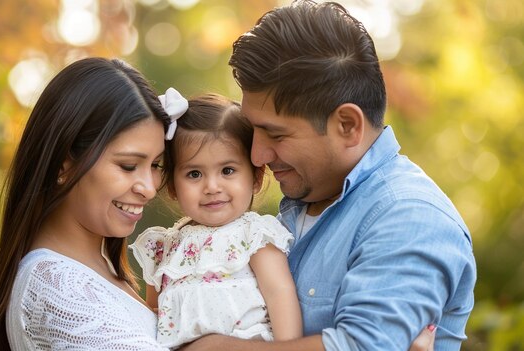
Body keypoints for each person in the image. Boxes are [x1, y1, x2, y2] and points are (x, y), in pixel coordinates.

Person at [183, 1, 476, 350]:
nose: (257, 155)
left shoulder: (410, 217)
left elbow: (360, 346)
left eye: (275, 134)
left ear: (347, 125)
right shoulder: (297, 204)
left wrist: (211, 347)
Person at [0, 57, 174, 350]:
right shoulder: (55, 287)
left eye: (156, 165)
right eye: (128, 166)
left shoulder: (97, 271)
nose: (148, 188)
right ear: (63, 165)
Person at [130, 92, 302, 349]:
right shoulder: (164, 248)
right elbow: (154, 316)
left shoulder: (253, 235)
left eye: (227, 171)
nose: (212, 186)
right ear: (173, 186)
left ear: (255, 177)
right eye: (194, 173)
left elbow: (280, 294)